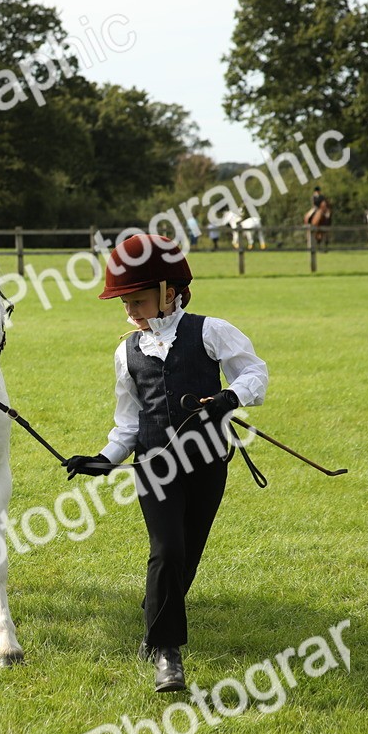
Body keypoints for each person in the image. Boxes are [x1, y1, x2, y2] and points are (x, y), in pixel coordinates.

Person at [64, 234, 268, 692]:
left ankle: (155, 615)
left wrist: (230, 397)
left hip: (209, 462)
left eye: (137, 301)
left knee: (187, 556)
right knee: (168, 551)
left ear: (169, 292)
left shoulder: (211, 331)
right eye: (125, 304)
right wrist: (104, 459)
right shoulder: (127, 353)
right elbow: (128, 421)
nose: (130, 312)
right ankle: (166, 654)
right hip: (154, 468)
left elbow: (255, 372)